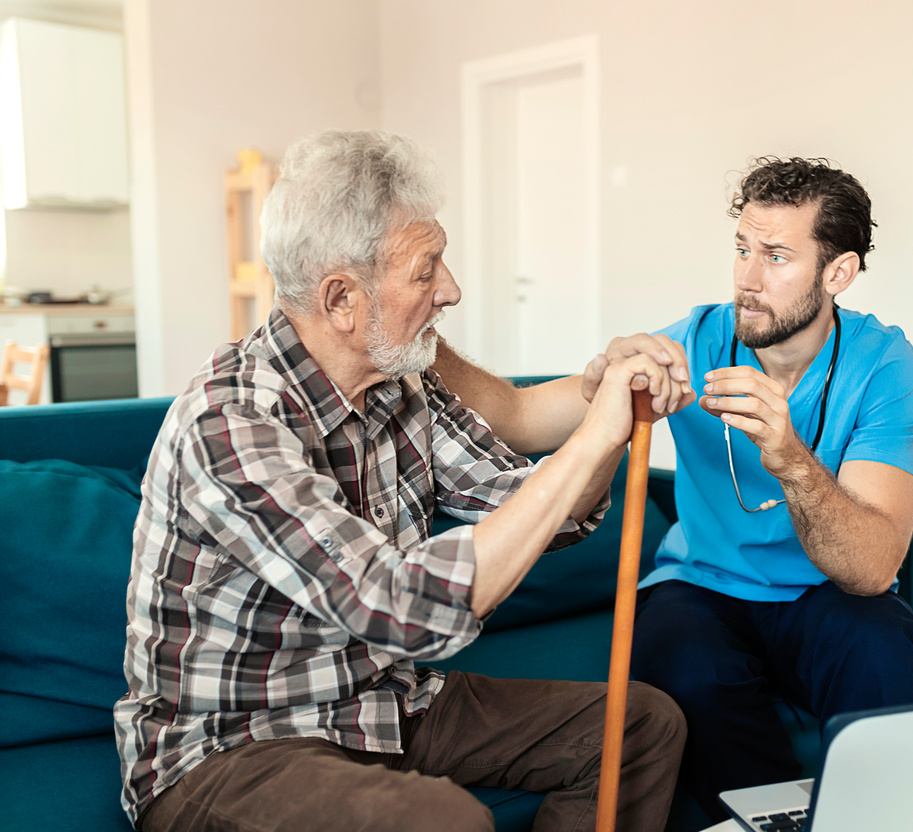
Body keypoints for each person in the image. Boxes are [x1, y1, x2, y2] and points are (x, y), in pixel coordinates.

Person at [114, 129, 686, 832]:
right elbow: (399, 608)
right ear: (341, 300)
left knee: (640, 727)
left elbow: (542, 511)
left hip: (382, 703)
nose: (451, 291)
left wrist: (608, 420)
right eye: (426, 270)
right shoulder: (231, 422)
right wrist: (594, 435)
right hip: (236, 747)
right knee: (438, 821)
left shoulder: (400, 382)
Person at [432, 157, 913, 820]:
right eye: (742, 249)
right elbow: (518, 418)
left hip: (825, 590)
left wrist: (787, 455)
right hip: (703, 589)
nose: (748, 280)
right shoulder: (692, 346)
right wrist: (409, 331)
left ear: (837, 272)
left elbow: (868, 569)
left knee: (882, 648)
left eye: (777, 256)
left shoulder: (881, 362)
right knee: (682, 665)